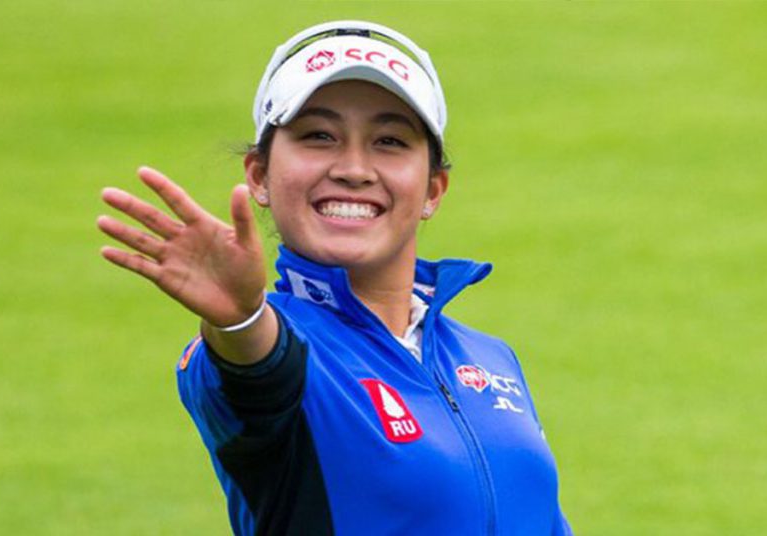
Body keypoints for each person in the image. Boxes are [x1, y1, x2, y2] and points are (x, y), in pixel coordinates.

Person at [97, 20, 571, 535]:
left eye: (389, 140)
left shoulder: (489, 359)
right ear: (259, 176)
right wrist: (240, 320)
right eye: (319, 136)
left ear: (433, 189)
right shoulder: (277, 349)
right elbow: (260, 376)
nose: (353, 168)